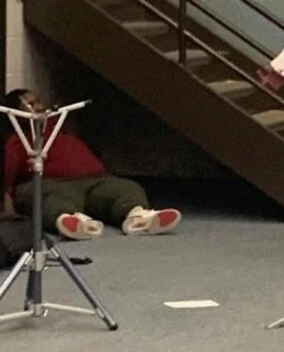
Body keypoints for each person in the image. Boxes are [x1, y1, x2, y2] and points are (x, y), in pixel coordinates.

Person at [2, 89, 181, 240]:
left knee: (126, 188)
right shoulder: (17, 141)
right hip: (53, 186)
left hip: (95, 181)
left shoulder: (59, 129)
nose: (39, 107)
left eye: (38, 101)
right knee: (45, 198)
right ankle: (71, 221)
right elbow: (8, 179)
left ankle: (138, 217)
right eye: (30, 105)